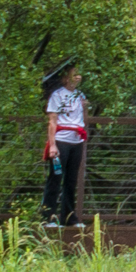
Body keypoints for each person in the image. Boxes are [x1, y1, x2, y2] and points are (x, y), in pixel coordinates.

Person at [43, 62, 90, 232]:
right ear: (64, 78)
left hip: (76, 141)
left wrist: (85, 107)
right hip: (61, 140)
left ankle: (69, 217)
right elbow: (52, 121)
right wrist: (53, 145)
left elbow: (82, 119)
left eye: (79, 74)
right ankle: (48, 216)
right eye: (73, 74)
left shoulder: (79, 95)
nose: (77, 76)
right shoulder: (57, 95)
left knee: (71, 180)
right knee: (55, 177)